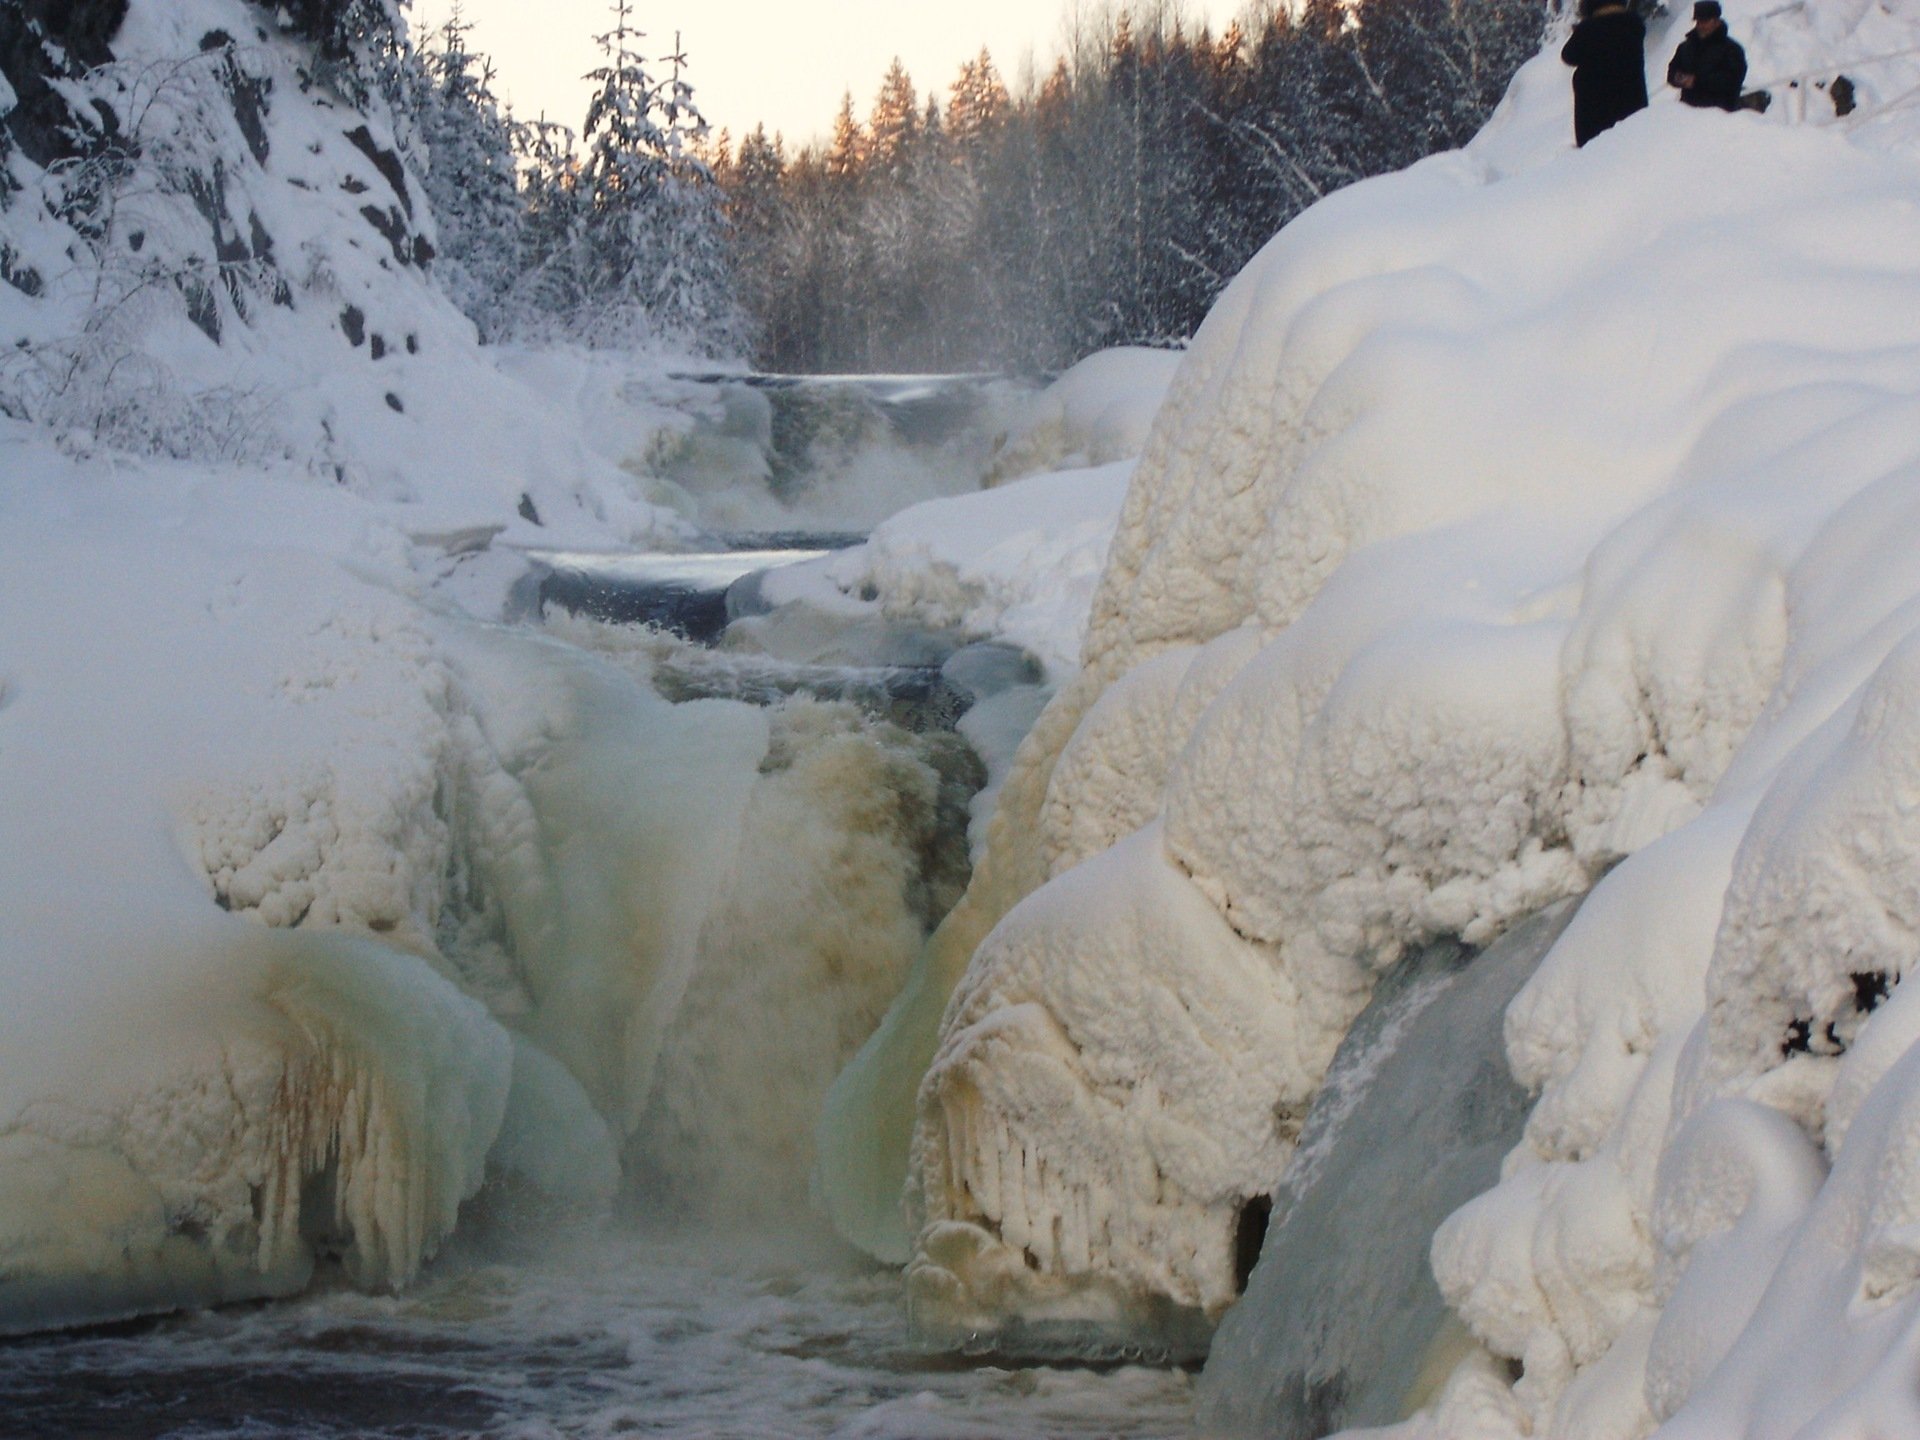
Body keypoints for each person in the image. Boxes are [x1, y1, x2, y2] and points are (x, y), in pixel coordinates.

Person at [1562, 0, 1650, 146]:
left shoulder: (1588, 29)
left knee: (1597, 151)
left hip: (1595, 107)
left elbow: (1568, 55)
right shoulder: (1634, 23)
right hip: (1632, 101)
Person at [1668, 1, 1748, 111]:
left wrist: (1696, 81)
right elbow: (1672, 71)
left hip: (1719, 114)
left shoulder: (1732, 49)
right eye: (1698, 21)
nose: (1701, 25)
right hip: (1687, 113)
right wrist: (1679, 78)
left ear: (1717, 21)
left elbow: (1732, 81)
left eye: (1705, 21)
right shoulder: (1685, 47)